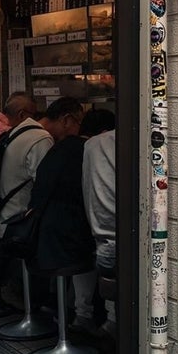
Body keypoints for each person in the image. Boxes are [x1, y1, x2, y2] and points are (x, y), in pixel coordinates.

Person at [23, 98, 91, 321]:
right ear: (68, 120)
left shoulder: (51, 146)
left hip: (38, 232)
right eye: (79, 122)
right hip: (61, 241)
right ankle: (82, 317)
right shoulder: (66, 146)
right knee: (96, 253)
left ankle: (64, 311)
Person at [0, 93, 53, 300]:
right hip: (19, 226)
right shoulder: (41, 138)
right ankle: (31, 305)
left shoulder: (12, 134)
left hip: (0, 218)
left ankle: (6, 296)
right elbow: (44, 184)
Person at [80, 108, 118, 328]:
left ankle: (105, 320)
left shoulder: (91, 146)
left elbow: (87, 192)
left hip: (102, 248)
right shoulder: (135, 140)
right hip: (124, 249)